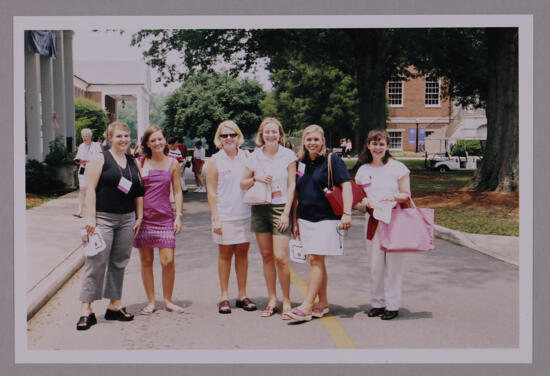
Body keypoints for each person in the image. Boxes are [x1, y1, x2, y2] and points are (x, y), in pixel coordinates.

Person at [76, 121, 144, 330]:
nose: (123, 139)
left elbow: (138, 192)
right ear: (110, 138)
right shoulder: (100, 159)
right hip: (104, 218)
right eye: (119, 136)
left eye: (126, 135)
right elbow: (90, 189)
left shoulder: (133, 162)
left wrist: (139, 217)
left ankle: (115, 305)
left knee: (119, 262)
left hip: (127, 219)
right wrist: (90, 218)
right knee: (96, 260)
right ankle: (86, 309)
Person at [287, 125, 353, 322]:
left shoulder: (333, 160)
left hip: (326, 218)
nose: (312, 143)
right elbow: (298, 192)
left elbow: (347, 186)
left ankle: (307, 305)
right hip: (306, 218)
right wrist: (295, 220)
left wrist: (347, 213)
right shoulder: (301, 163)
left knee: (316, 259)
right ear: (304, 142)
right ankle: (322, 303)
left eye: (316, 139)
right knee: (317, 261)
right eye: (309, 140)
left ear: (322, 141)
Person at [240, 117, 297, 319]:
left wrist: (286, 213)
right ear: (261, 135)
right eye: (267, 132)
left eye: (274, 132)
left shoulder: (288, 155)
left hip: (280, 207)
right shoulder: (255, 156)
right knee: (266, 257)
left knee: (280, 257)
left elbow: (292, 185)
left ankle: (287, 299)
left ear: (280, 134)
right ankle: (272, 299)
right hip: (260, 207)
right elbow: (243, 183)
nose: (271, 135)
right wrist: (256, 178)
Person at [355, 129, 411, 321]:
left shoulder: (398, 168)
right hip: (373, 221)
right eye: (374, 143)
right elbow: (359, 195)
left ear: (387, 146)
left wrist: (393, 196)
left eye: (381, 144)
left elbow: (406, 194)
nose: (378, 147)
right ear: (368, 146)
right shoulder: (363, 170)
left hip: (394, 220)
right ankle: (377, 302)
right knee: (375, 264)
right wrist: (364, 201)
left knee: (394, 265)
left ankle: (393, 305)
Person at [205, 120, 257, 314]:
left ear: (238, 137)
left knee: (243, 255)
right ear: (219, 138)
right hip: (225, 214)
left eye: (232, 135)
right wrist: (215, 217)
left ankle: (242, 295)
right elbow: (211, 192)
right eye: (224, 135)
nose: (228, 139)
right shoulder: (215, 161)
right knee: (225, 255)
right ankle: (224, 296)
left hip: (245, 213)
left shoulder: (247, 157)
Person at [133, 126, 184, 315]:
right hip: (143, 218)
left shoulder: (173, 163)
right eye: (153, 140)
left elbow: (177, 191)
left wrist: (178, 215)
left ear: (165, 141)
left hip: (164, 218)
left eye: (160, 139)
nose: (157, 143)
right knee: (146, 260)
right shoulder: (139, 162)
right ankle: (151, 301)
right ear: (147, 143)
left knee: (167, 261)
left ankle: (168, 301)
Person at [73, 128, 102, 218]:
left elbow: (99, 158)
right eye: (83, 136)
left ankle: (93, 211)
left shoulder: (96, 146)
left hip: (92, 170)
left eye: (86, 136)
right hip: (82, 169)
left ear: (90, 137)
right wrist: (78, 160)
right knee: (82, 190)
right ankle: (79, 211)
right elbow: (78, 156)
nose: (84, 138)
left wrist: (86, 160)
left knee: (92, 190)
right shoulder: (81, 146)